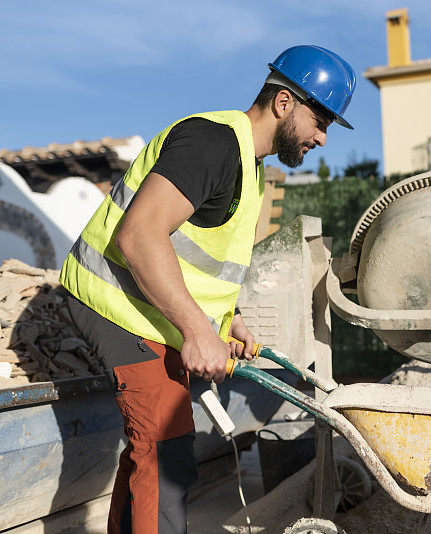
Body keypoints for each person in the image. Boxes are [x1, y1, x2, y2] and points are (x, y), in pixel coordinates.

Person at [59, 45, 356, 533]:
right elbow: (139, 236)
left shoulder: (248, 163)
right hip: (114, 302)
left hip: (145, 308)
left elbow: (199, 253)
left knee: (157, 453)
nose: (322, 138)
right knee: (166, 455)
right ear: (284, 103)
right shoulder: (212, 143)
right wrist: (198, 330)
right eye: (320, 120)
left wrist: (226, 319)